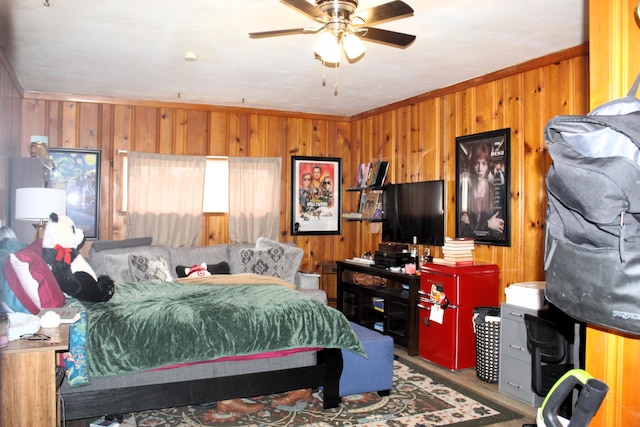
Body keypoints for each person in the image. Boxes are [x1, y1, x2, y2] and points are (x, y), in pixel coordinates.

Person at [459, 143, 504, 238]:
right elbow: (463, 231)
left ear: (488, 166)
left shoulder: (496, 191)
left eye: (484, 163)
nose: (480, 169)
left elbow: (498, 231)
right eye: (477, 163)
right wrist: (487, 224)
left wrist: (472, 225)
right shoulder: (466, 194)